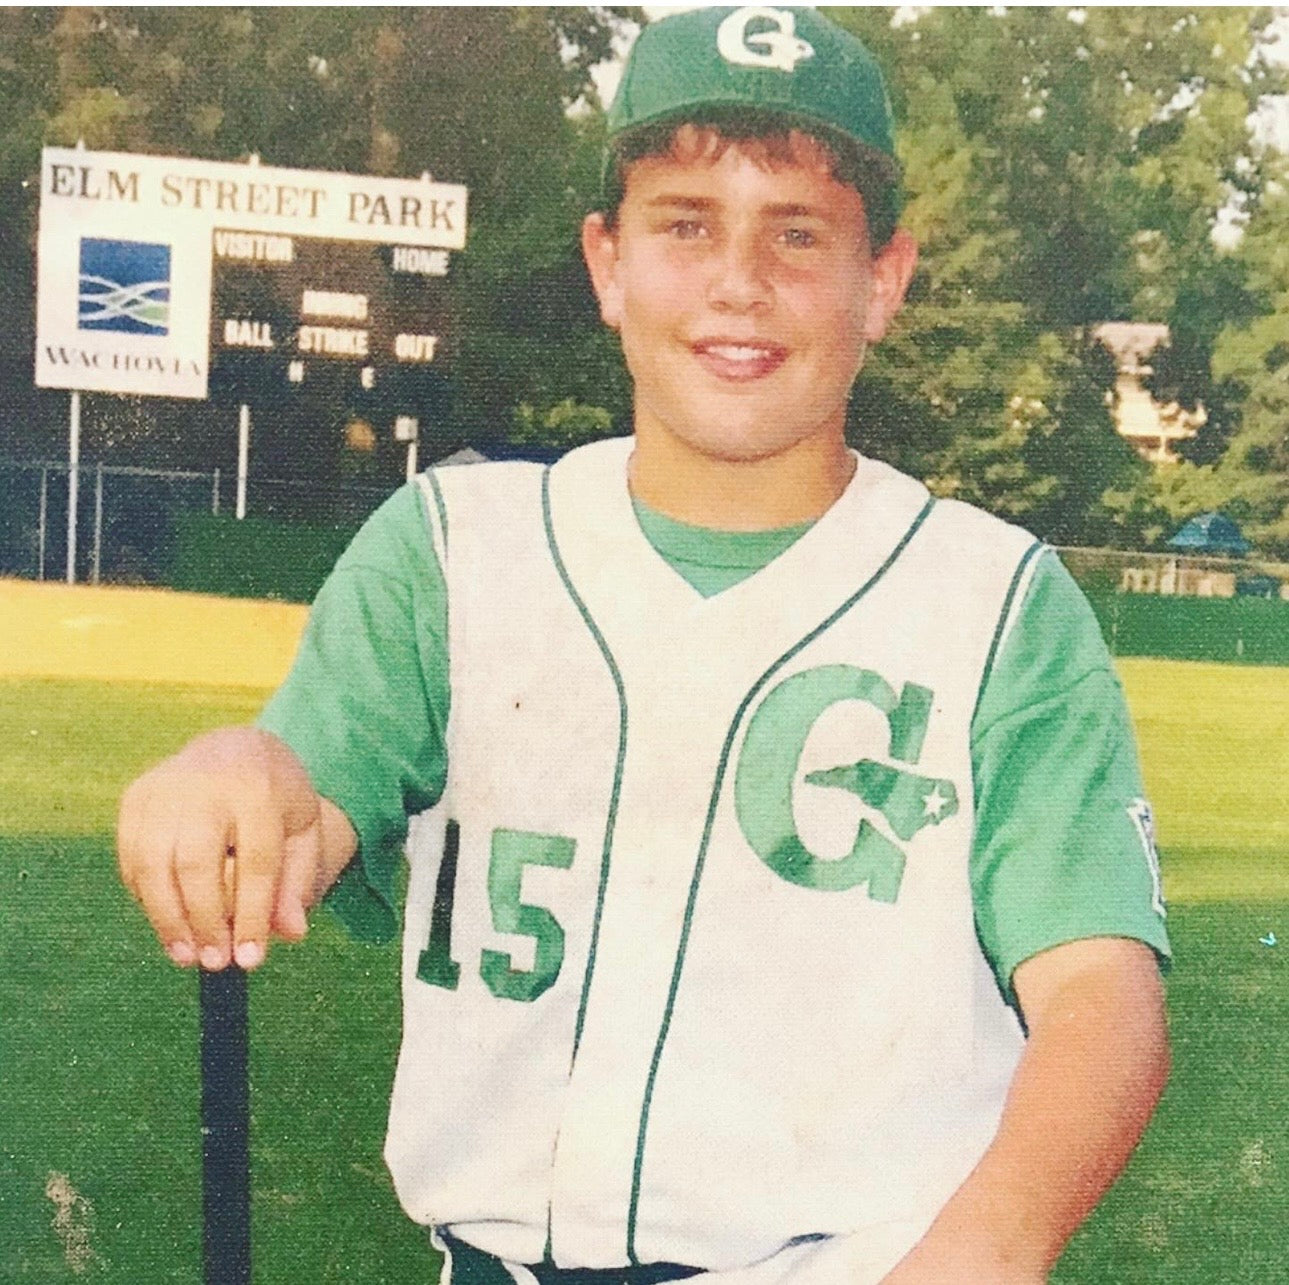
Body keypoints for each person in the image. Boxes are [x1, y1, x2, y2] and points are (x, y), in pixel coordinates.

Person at [117, 8, 1171, 1283]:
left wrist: (990, 1245)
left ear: (880, 279)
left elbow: (1099, 992)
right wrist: (238, 767)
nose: (740, 281)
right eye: (684, 223)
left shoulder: (995, 598)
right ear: (607, 263)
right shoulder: (454, 547)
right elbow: (303, 798)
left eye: (797, 232)